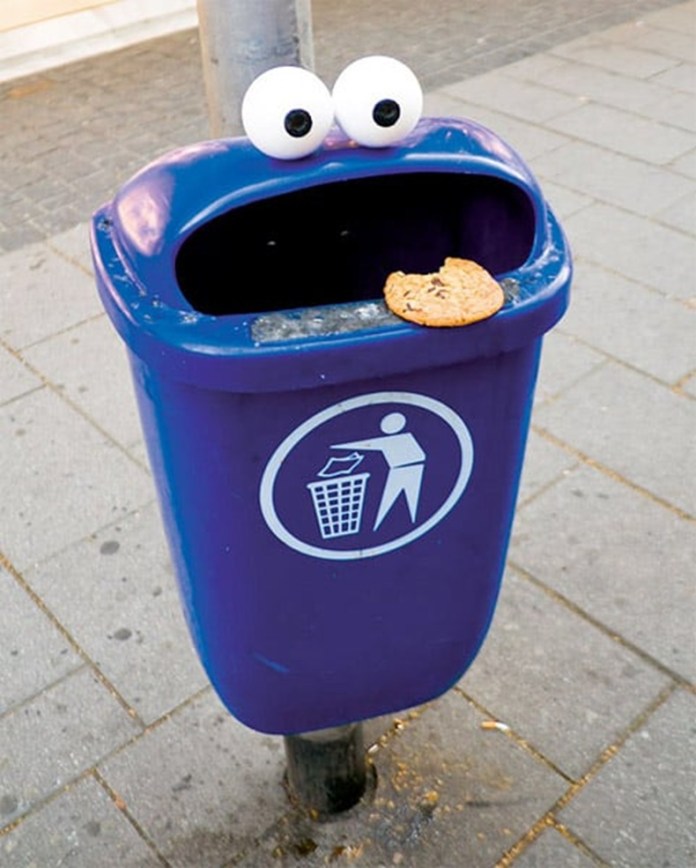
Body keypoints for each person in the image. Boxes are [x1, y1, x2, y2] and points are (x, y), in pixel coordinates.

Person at [331, 412, 425, 531]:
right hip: (403, 470)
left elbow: (368, 445)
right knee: (397, 501)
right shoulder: (405, 438)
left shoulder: (402, 439)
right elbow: (370, 444)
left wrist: (341, 447)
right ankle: (387, 525)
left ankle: (384, 526)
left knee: (394, 501)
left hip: (406, 471)